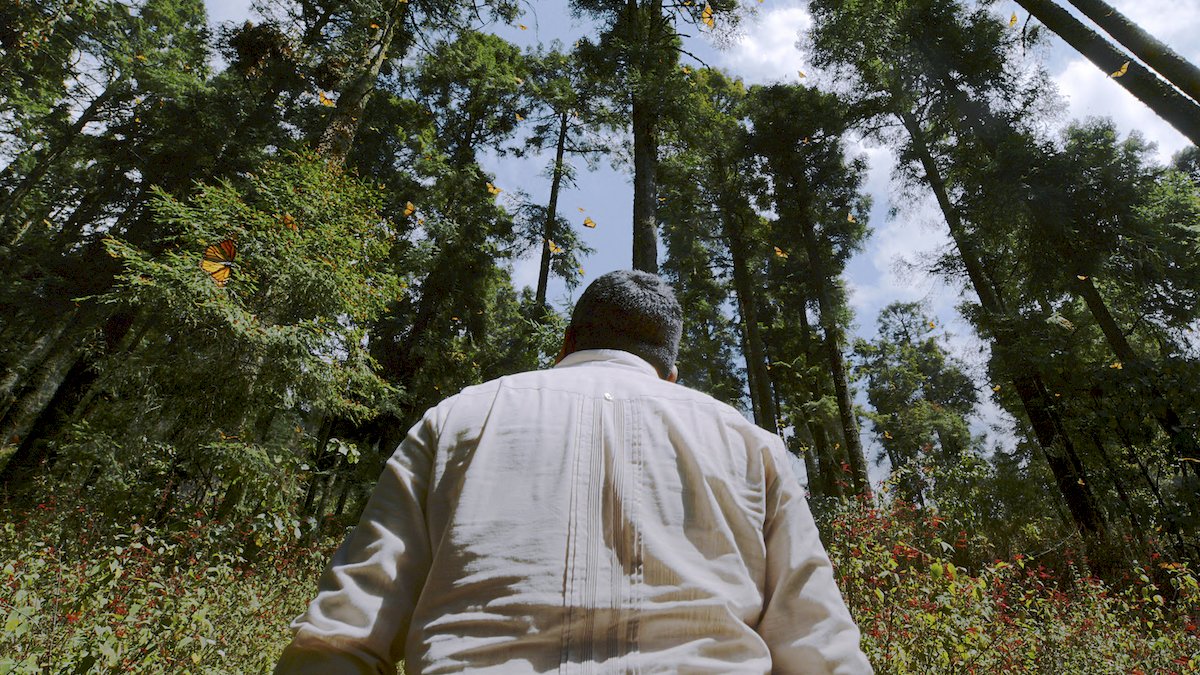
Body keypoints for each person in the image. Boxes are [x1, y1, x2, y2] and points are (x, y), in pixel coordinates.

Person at [275, 270, 872, 674]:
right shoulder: (750, 444)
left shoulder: (457, 419)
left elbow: (343, 634)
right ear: (670, 369)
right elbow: (821, 647)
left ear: (566, 341)